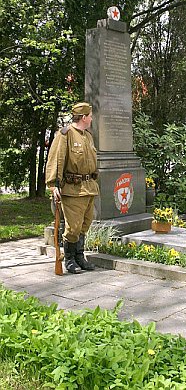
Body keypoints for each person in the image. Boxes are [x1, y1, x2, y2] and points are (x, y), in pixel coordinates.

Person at [46, 102, 99, 274]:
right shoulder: (65, 135)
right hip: (73, 189)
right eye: (90, 116)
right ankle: (69, 259)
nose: (91, 119)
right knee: (73, 227)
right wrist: (53, 185)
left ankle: (79, 257)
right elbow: (56, 159)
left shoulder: (88, 136)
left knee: (85, 224)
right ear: (83, 117)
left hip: (89, 187)